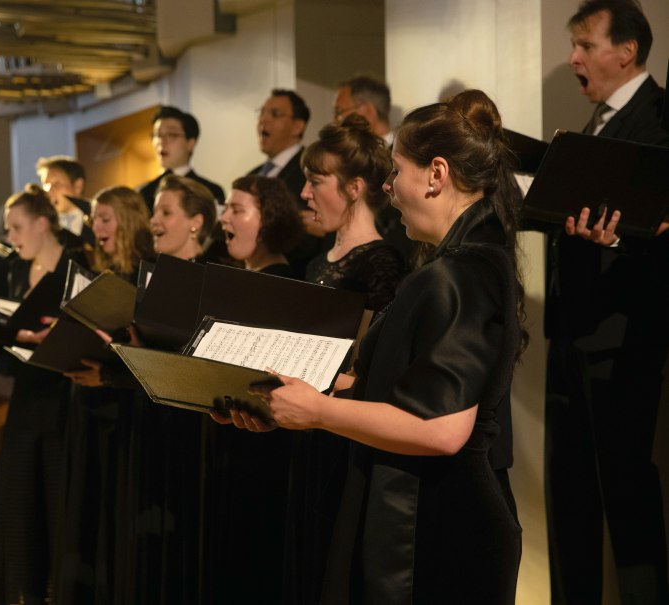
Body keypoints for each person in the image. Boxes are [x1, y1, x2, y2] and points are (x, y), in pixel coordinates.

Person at [220, 89, 527, 603]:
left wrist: (318, 411)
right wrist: (287, 400)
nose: (387, 188)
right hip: (422, 513)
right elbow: (399, 387)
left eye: (396, 171)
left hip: (439, 527)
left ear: (436, 175)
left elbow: (443, 430)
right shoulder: (461, 264)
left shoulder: (459, 274)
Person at [544, 1, 669, 602]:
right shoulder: (592, 124)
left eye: (585, 45)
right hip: (569, 333)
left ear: (627, 51)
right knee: (568, 494)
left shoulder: (662, 118)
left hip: (625, 335)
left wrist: (621, 236)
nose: (573, 58)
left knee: (625, 491)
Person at [276, 114, 407, 605]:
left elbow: (370, 369)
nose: (305, 194)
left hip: (341, 437)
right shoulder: (316, 261)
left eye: (315, 181)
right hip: (307, 430)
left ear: (355, 187)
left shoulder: (382, 263)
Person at [53, 186, 156, 604]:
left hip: (128, 412)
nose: (96, 228)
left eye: (105, 219)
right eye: (94, 219)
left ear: (129, 220)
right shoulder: (95, 273)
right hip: (88, 401)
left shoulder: (148, 275)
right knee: (86, 507)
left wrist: (110, 374)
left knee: (117, 511)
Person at [204, 175, 303, 603]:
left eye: (237, 209)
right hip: (231, 439)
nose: (224, 218)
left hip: (266, 453)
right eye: (226, 209)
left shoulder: (283, 284)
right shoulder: (238, 279)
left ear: (270, 222)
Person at [0, 184, 74, 605]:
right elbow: (1, 329)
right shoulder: (15, 270)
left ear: (42, 223)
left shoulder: (76, 266)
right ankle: (29, 593)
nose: (11, 238)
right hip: (26, 394)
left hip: (65, 398)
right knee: (20, 502)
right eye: (7, 229)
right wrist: (7, 334)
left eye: (16, 228)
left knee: (58, 502)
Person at [334, 74, 416, 267]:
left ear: (368, 111)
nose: (335, 121)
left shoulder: (407, 155)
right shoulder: (347, 160)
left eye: (339, 111)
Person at [248, 89, 322, 277]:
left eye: (275, 114)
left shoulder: (310, 172)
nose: (264, 120)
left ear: (297, 126)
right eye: (262, 113)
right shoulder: (252, 175)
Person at [138, 106, 225, 211]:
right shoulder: (145, 193)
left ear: (191, 143)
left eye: (171, 135)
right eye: (157, 135)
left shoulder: (209, 191)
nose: (161, 141)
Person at [149, 174, 217, 261]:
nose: (153, 220)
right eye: (154, 212)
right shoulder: (148, 270)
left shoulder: (215, 274)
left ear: (196, 223)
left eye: (166, 213)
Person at [36, 154, 95, 253]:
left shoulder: (97, 222)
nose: (49, 191)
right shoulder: (43, 227)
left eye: (56, 184)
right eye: (45, 184)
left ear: (78, 186)